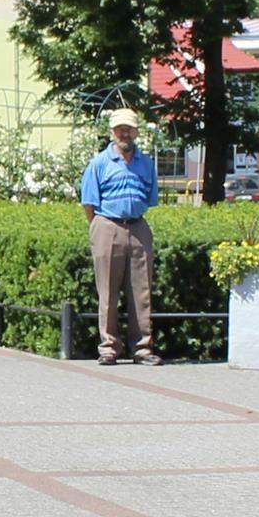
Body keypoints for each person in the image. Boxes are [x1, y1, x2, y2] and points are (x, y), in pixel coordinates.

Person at [78, 111, 161, 364]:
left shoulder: (146, 164)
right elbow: (89, 203)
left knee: (141, 292)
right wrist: (101, 229)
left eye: (129, 129)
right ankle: (109, 348)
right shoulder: (99, 163)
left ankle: (142, 349)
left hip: (138, 227)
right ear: (112, 132)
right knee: (108, 290)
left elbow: (150, 198)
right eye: (119, 129)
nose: (124, 133)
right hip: (106, 225)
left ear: (136, 132)